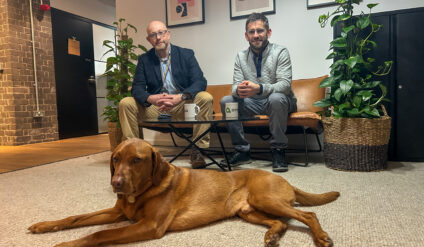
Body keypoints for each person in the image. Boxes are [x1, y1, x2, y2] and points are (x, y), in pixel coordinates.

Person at [119, 20, 213, 169]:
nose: (158, 37)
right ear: (148, 39)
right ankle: (134, 152)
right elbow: (136, 88)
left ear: (168, 34)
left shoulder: (186, 54)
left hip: (182, 105)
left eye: (161, 33)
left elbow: (200, 82)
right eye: (153, 35)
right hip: (157, 107)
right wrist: (151, 98)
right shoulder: (144, 59)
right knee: (126, 103)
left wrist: (180, 97)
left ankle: (198, 150)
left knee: (205, 97)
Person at [220, 13, 297, 172]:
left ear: (268, 32)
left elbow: (285, 85)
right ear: (246, 36)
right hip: (253, 103)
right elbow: (234, 87)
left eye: (260, 31)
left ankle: (278, 150)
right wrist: (240, 90)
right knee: (227, 101)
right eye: (251, 32)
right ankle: (241, 150)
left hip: (279, 102)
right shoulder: (241, 57)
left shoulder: (281, 52)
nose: (256, 35)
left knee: (276, 98)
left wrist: (259, 88)